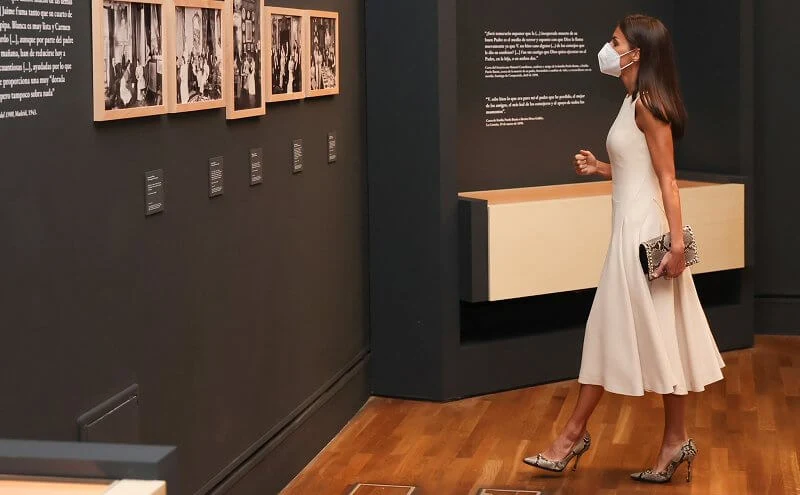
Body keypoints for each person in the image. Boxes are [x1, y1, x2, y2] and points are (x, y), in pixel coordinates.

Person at [521, 14, 725, 484]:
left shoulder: (648, 105)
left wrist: (677, 245)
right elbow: (640, 168)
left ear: (636, 53)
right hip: (631, 232)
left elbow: (669, 180)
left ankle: (571, 437)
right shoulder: (632, 99)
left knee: (612, 330)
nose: (607, 49)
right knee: (657, 337)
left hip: (642, 238)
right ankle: (673, 440)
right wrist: (601, 168)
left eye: (614, 42)